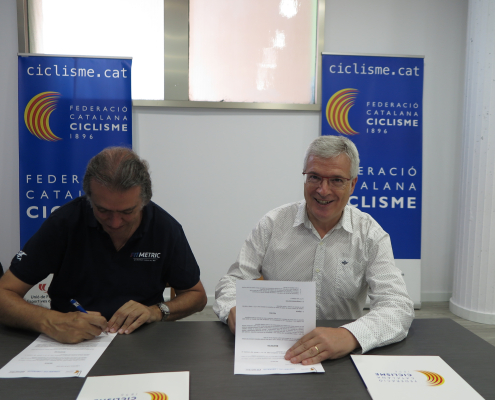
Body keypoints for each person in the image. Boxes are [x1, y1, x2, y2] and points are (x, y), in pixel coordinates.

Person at [213, 135, 414, 365]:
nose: (323, 190)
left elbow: (398, 306)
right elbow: (232, 281)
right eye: (315, 177)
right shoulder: (273, 224)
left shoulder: (370, 235)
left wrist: (349, 335)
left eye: (336, 180)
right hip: (277, 350)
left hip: (341, 356)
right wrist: (233, 307)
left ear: (353, 185)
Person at [0, 147, 207, 343]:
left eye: (127, 212)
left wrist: (156, 311)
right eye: (103, 210)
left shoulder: (165, 228)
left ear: (144, 201)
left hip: (143, 343)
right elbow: (4, 293)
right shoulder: (64, 223)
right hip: (72, 343)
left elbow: (196, 296)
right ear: (89, 197)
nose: (115, 223)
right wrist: (50, 321)